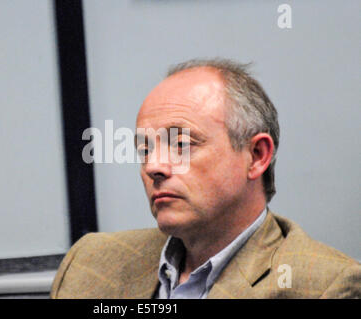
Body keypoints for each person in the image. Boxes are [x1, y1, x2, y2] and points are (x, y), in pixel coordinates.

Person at [50, 58, 360, 299]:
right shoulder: (90, 262)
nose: (153, 166)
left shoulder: (323, 285)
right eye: (145, 148)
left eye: (182, 145)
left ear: (256, 156)